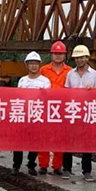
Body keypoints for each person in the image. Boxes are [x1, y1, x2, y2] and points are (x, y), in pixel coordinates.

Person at [62, 45, 96, 182]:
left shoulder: (95, 75)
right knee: (68, 140)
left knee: (87, 142)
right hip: (73, 111)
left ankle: (87, 171)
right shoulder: (70, 74)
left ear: (87, 58)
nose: (79, 60)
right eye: (76, 58)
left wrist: (92, 91)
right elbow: (66, 92)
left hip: (87, 111)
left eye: (81, 57)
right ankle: (66, 168)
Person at [12, 52, 50, 176]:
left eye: (36, 63)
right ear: (27, 65)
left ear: (39, 65)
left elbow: (46, 98)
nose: (33, 66)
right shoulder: (22, 80)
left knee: (34, 142)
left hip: (37, 115)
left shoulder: (45, 81)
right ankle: (16, 165)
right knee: (18, 142)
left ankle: (31, 165)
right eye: (31, 63)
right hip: (23, 115)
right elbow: (18, 97)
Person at [38, 41, 71, 175]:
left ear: (65, 55)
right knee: (44, 137)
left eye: (60, 53)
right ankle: (43, 164)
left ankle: (57, 165)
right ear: (51, 54)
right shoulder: (43, 70)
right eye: (55, 53)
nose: (58, 56)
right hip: (46, 108)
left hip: (62, 109)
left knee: (60, 137)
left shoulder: (70, 71)